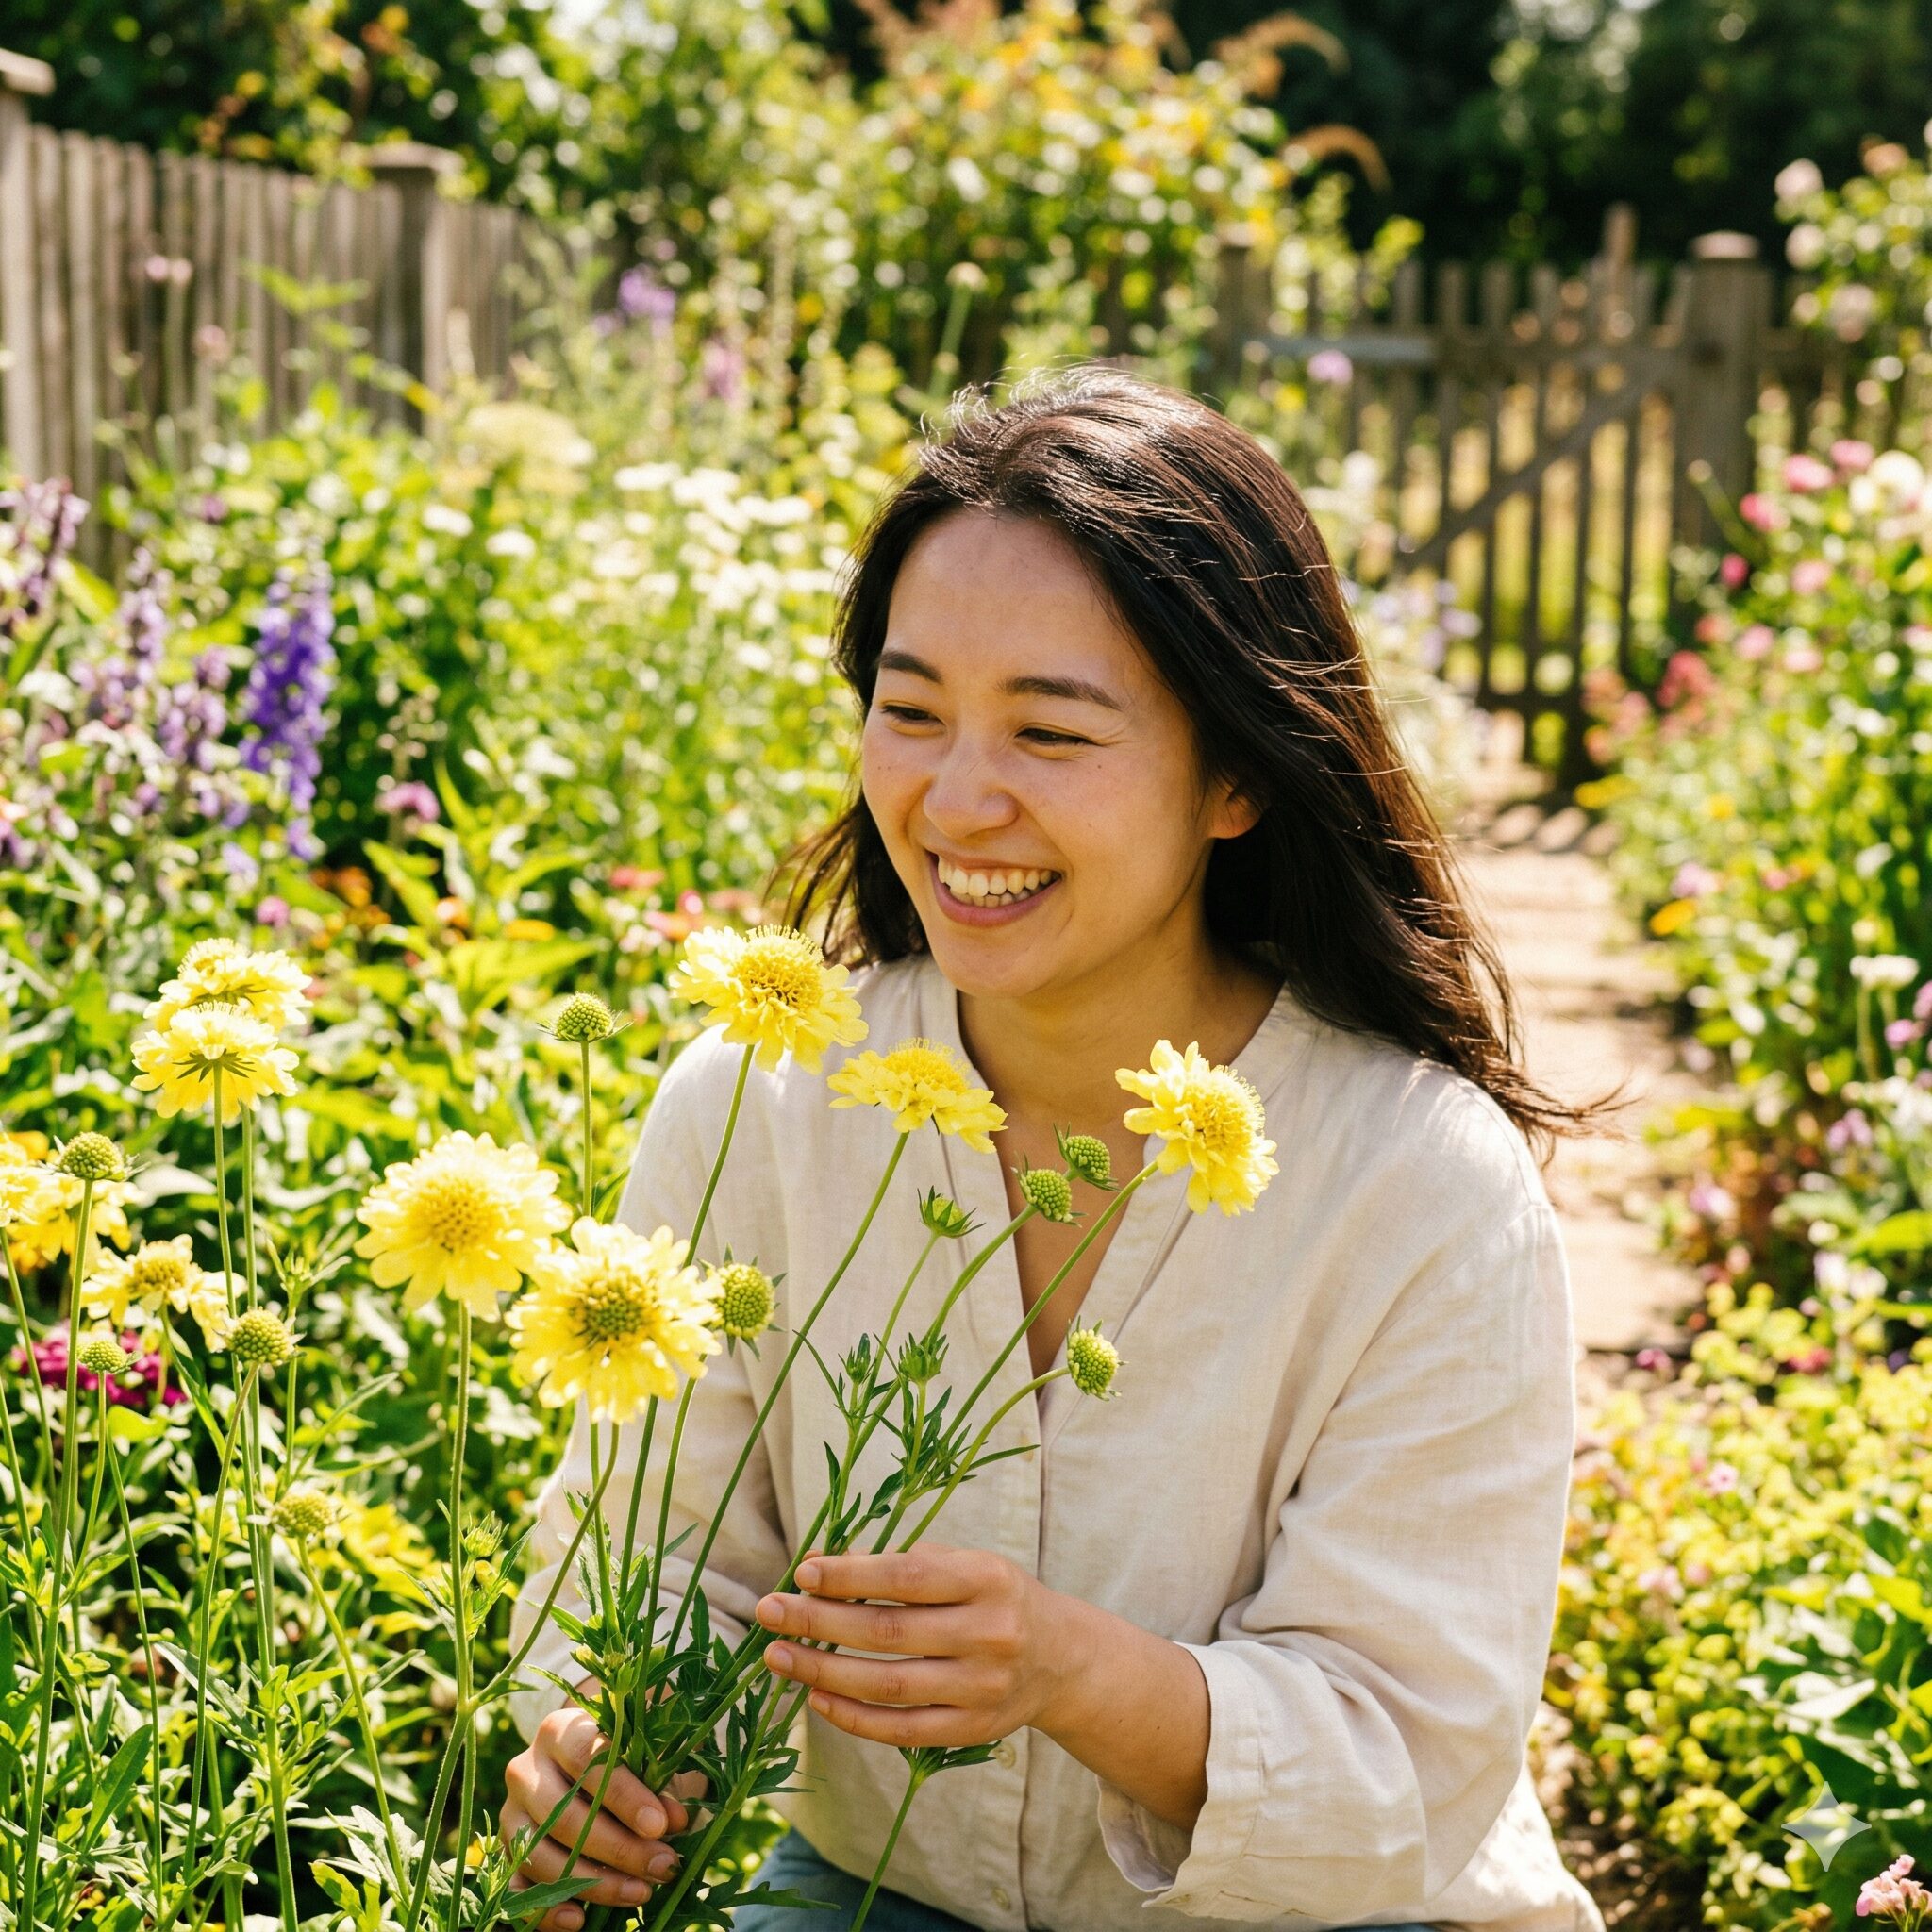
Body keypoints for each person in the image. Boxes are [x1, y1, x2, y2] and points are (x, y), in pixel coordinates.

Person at [499, 364, 1617, 1932]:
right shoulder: (761, 1092)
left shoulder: (1424, 1186)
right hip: (877, 1891)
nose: (960, 799)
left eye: (1052, 730)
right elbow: (649, 1558)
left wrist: (1073, 1673)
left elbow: (1409, 1774)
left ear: (1237, 774)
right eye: (910, 711)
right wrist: (597, 1758)